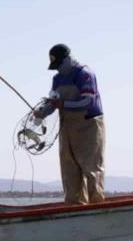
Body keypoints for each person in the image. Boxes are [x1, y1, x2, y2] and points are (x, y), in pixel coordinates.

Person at [33, 44, 105, 204]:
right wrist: (42, 112)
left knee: (91, 167)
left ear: (67, 59)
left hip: (89, 125)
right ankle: (74, 206)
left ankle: (97, 204)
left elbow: (88, 100)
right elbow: (53, 102)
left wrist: (62, 104)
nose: (58, 69)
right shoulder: (57, 79)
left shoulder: (84, 74)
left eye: (59, 65)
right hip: (67, 126)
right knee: (69, 168)